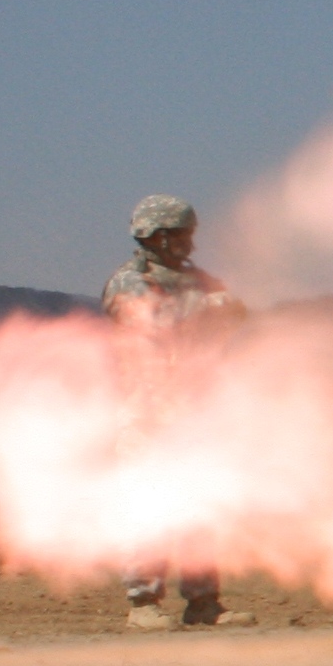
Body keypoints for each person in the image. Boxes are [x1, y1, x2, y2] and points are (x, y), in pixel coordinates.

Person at [102, 194, 246, 630]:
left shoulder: (198, 280)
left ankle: (203, 600)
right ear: (156, 236)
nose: (188, 243)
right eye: (181, 235)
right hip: (146, 409)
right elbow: (155, 323)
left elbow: (229, 317)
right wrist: (209, 310)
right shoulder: (130, 281)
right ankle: (143, 602)